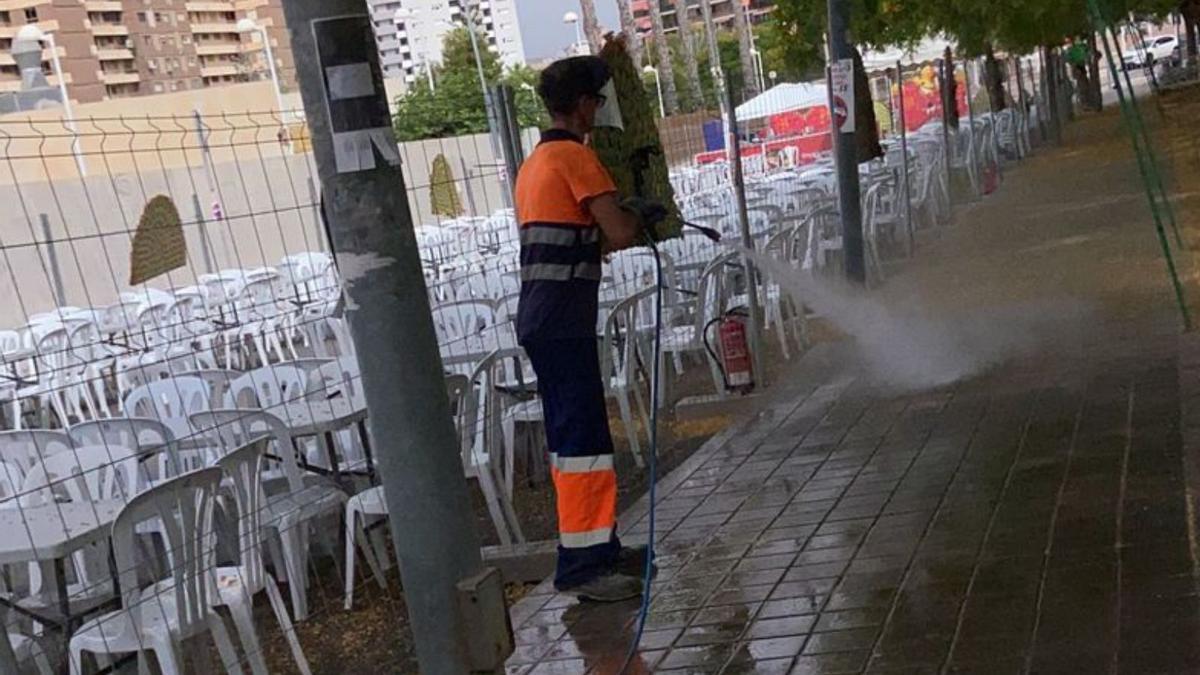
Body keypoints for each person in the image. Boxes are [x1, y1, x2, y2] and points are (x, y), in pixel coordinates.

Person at [515, 56, 665, 602]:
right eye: (597, 102)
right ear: (583, 104)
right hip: (561, 321)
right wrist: (639, 214)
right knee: (580, 443)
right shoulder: (576, 158)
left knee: (580, 439)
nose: (599, 112)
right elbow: (619, 233)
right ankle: (582, 567)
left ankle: (599, 547)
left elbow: (582, 236)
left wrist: (617, 223)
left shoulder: (535, 163)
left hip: (545, 319)